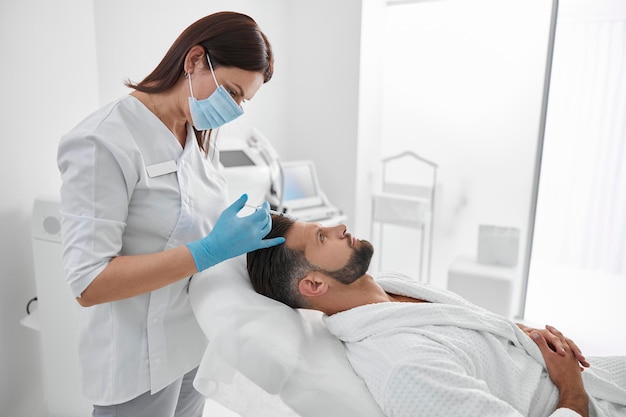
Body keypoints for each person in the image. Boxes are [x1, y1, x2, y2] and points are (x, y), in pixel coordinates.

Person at [57, 12, 284, 417]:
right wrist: (209, 249)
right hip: (135, 362)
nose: (234, 110)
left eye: (243, 101)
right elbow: (88, 283)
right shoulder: (102, 140)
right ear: (195, 60)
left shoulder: (199, 136)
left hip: (191, 348)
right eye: (231, 92)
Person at [247, 215, 626, 417]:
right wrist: (570, 386)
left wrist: (518, 333)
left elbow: (468, 328)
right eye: (322, 237)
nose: (339, 227)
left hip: (592, 379)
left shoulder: (392, 286)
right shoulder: (405, 368)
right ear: (313, 285)